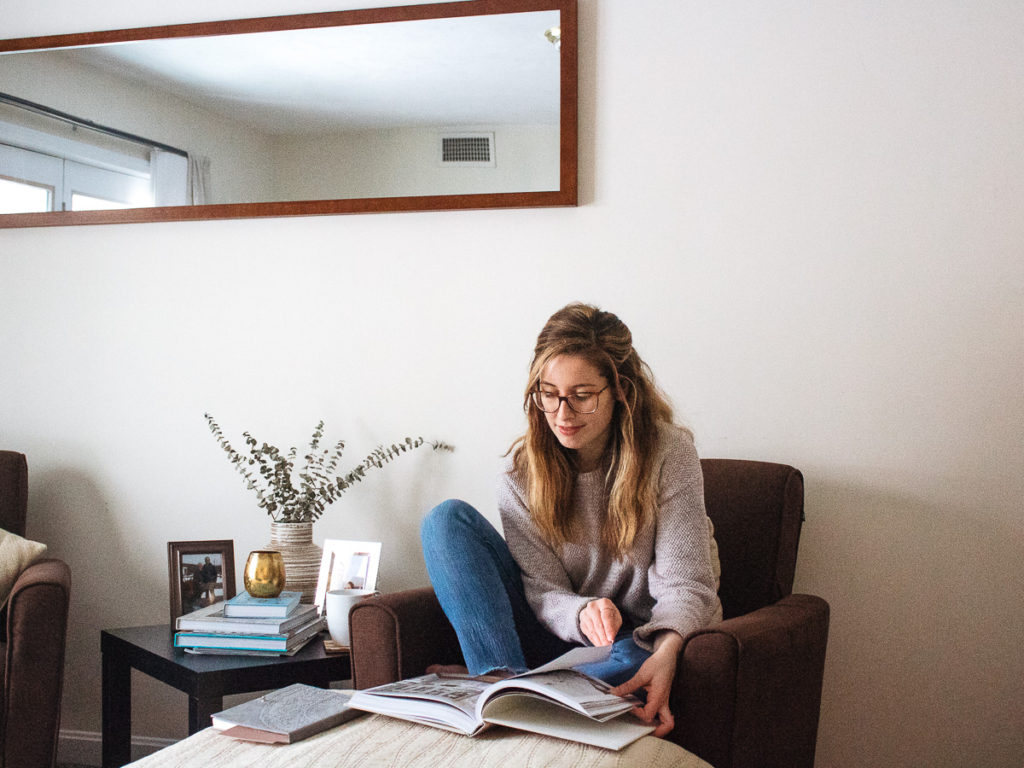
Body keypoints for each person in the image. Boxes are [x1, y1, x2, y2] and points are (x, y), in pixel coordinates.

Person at [420, 302, 722, 737]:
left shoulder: (668, 453)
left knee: (636, 661)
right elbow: (541, 590)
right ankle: (500, 681)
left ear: (621, 389)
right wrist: (582, 613)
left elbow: (688, 584)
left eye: (582, 396)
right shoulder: (520, 474)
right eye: (549, 393)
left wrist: (668, 651)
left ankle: (523, 693)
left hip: (637, 639)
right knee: (445, 522)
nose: (562, 414)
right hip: (553, 638)